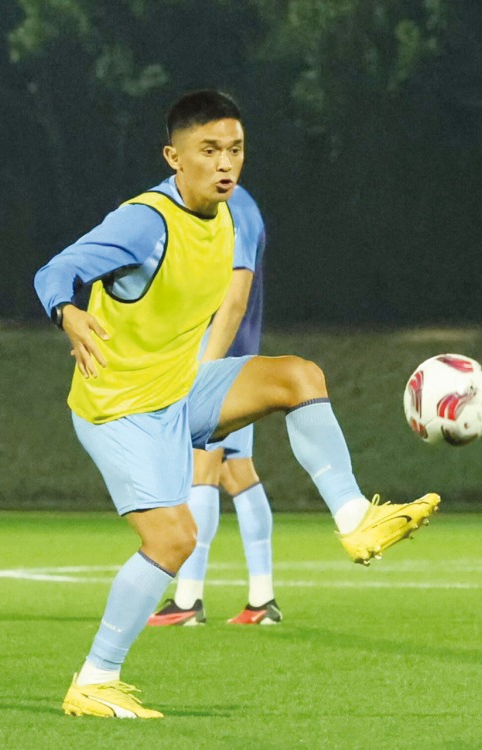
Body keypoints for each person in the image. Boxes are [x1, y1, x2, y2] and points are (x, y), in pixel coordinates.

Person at [33, 89, 439, 719]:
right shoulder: (145, 221)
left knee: (298, 376)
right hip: (119, 410)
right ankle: (94, 679)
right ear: (175, 157)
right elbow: (56, 269)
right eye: (209, 150)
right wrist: (69, 314)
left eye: (236, 149)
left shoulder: (230, 216)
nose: (226, 163)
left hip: (178, 390)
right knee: (174, 541)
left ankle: (356, 518)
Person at [146, 183, 283, 628]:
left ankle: (188, 599)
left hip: (218, 355)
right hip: (238, 355)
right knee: (236, 471)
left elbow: (235, 294)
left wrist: (206, 367)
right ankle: (262, 599)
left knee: (200, 467)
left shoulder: (230, 208)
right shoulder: (243, 204)